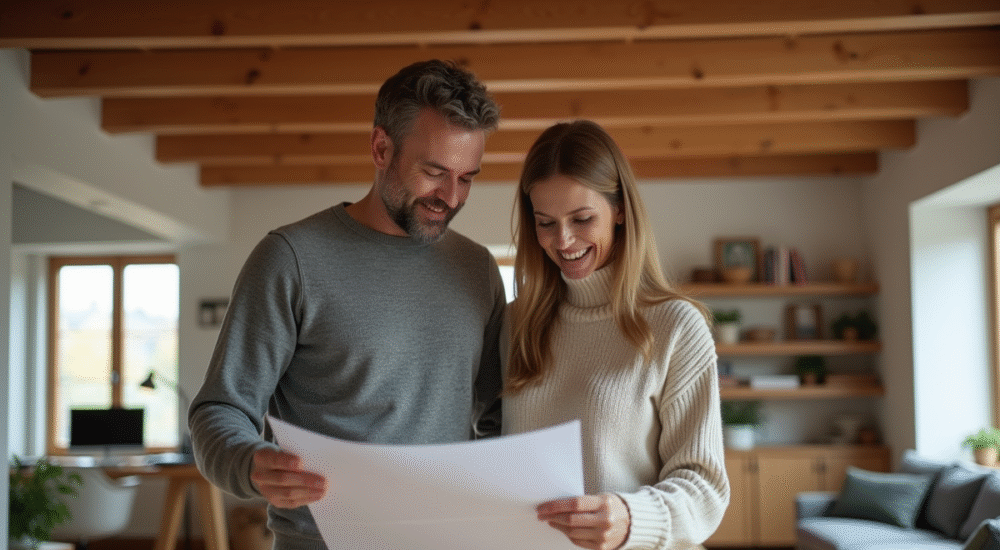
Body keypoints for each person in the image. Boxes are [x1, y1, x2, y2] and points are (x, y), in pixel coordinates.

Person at [188, 59, 505, 550]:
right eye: (435, 172)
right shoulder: (290, 259)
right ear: (381, 148)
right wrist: (250, 463)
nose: (451, 196)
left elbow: (499, 417)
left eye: (467, 178)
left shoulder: (478, 268)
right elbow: (218, 411)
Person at [503, 120, 729, 550]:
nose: (563, 240)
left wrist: (630, 517)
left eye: (582, 218)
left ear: (620, 210)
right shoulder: (514, 325)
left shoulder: (676, 326)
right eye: (545, 222)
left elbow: (705, 490)